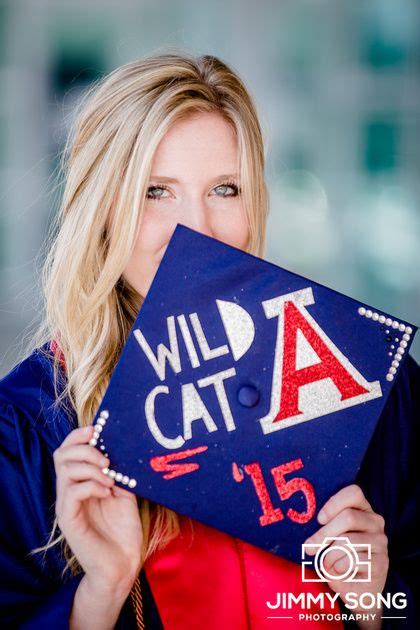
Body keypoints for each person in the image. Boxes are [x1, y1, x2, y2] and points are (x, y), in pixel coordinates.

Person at [0, 51, 418, 630]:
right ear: (101, 211)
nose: (196, 228)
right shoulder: (27, 429)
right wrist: (103, 589)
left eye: (226, 189)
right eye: (155, 191)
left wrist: (375, 602)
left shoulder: (360, 380)